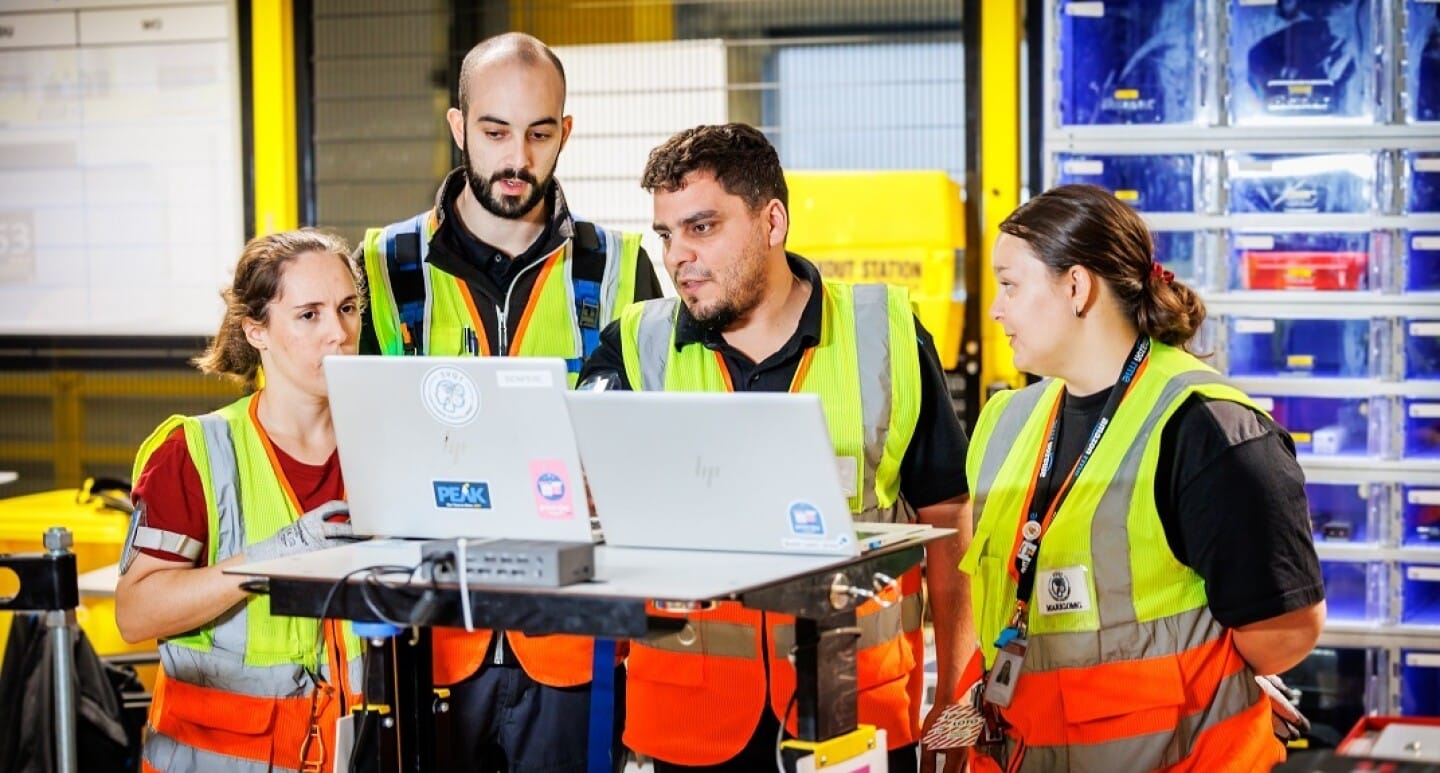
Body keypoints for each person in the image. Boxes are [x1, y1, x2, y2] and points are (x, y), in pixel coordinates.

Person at [578, 123, 974, 773]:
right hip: (687, 723)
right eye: (667, 234)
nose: (678, 255)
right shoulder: (633, 348)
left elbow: (947, 519)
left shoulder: (886, 334)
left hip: (857, 713)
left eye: (701, 227)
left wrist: (955, 695)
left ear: (773, 220)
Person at [357, 32, 663, 772]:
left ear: (566, 131)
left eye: (539, 132)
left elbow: (650, 451)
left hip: (573, 644)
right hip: (427, 639)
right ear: (458, 126)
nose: (517, 158)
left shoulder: (621, 270)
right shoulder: (382, 267)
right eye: (494, 131)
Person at [960, 184, 1326, 772]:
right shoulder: (1005, 423)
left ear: (1076, 288)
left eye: (1010, 284)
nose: (997, 309)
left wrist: (1213, 676)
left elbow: (1285, 628)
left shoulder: (1206, 428)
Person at [114, 230, 365, 772]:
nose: (338, 334)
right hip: (225, 758)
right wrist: (263, 562)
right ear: (256, 331)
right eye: (309, 315)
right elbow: (135, 614)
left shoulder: (388, 447)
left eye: (348, 308)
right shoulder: (194, 452)